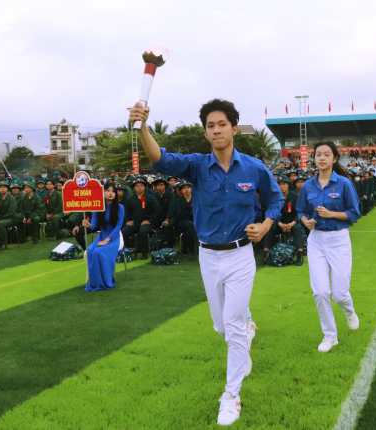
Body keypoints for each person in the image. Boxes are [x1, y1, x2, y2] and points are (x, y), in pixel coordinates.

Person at [130, 98, 283, 426]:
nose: (216, 130)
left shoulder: (254, 167)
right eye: (210, 126)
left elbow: (275, 199)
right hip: (209, 257)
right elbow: (160, 159)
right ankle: (247, 325)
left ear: (234, 128)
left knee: (231, 324)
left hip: (241, 255)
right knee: (222, 326)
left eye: (222, 124)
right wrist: (143, 126)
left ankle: (231, 395)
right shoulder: (197, 165)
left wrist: (267, 225)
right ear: (205, 133)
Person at [296, 141, 361, 353]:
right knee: (321, 291)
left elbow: (354, 213)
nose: (321, 158)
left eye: (326, 155)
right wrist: (306, 222)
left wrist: (331, 214)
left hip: (338, 239)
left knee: (340, 294)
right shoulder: (308, 186)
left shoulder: (343, 184)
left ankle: (349, 311)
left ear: (334, 159)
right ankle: (330, 335)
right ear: (314, 158)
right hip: (316, 240)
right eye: (318, 155)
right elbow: (301, 211)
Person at [81, 182, 126, 290]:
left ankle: (106, 281)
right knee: (90, 251)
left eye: (113, 191)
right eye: (108, 191)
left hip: (115, 237)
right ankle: (94, 281)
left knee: (98, 252)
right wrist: (88, 225)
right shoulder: (98, 207)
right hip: (101, 236)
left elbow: (118, 227)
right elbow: (94, 225)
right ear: (103, 192)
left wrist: (106, 241)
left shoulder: (120, 208)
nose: (111, 193)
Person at [262, 175, 304, 266]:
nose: (282, 186)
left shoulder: (295, 196)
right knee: (270, 228)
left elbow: (299, 212)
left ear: (288, 185)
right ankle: (266, 253)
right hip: (278, 222)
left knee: (297, 228)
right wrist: (279, 223)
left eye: (284, 184)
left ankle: (300, 254)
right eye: (279, 184)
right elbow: (271, 211)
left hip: (292, 222)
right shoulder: (274, 197)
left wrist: (292, 223)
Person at [122, 177, 159, 260]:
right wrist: (128, 221)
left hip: (147, 222)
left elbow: (157, 211)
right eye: (137, 186)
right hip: (135, 222)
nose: (139, 187)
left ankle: (144, 252)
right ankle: (130, 250)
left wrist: (149, 220)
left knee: (143, 232)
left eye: (141, 185)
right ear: (134, 188)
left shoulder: (150, 197)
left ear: (144, 187)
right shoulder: (130, 199)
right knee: (124, 231)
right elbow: (126, 211)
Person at [174, 180, 198, 259]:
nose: (186, 189)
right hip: (182, 222)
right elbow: (180, 214)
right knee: (189, 224)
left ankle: (191, 251)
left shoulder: (196, 199)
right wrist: (191, 213)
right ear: (181, 190)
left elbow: (198, 212)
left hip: (195, 222)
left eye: (188, 187)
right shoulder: (178, 201)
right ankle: (197, 244)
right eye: (184, 188)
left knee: (188, 231)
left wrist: (188, 213)